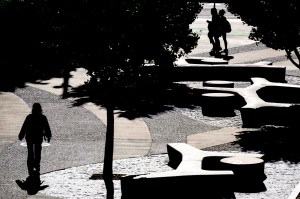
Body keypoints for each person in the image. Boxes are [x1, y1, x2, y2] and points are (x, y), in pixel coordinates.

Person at [19, 103, 51, 179]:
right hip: (38, 137)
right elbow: (47, 128)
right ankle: (36, 166)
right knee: (37, 152)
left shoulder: (29, 117)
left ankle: (30, 168)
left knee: (30, 152)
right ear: (40, 110)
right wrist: (48, 135)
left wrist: (21, 135)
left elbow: (24, 127)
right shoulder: (42, 117)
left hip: (29, 137)